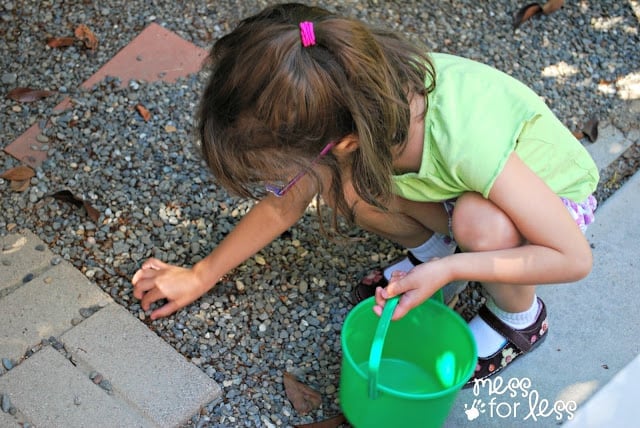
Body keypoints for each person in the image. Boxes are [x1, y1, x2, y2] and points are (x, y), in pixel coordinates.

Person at [132, 2, 598, 385]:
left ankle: (518, 318)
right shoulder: (348, 101)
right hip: (459, 188)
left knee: (483, 224)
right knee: (342, 183)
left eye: (282, 168)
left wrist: (453, 268)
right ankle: (437, 249)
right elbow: (284, 205)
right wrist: (200, 274)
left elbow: (573, 258)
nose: (283, 181)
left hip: (546, 203)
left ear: (347, 140)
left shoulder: (465, 138)